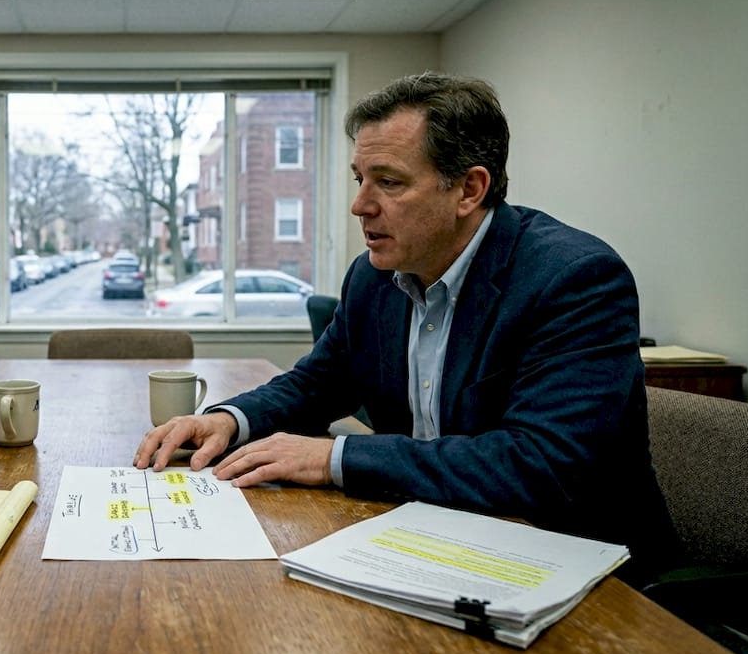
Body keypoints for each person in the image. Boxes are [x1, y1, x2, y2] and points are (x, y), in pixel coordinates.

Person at [134, 73, 677, 582]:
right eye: (359, 179)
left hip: (578, 569)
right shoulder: (375, 278)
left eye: (388, 182)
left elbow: (543, 467)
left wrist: (335, 458)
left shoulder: (573, 278)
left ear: (469, 190)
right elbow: (318, 382)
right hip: (431, 541)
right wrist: (233, 419)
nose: (359, 205)